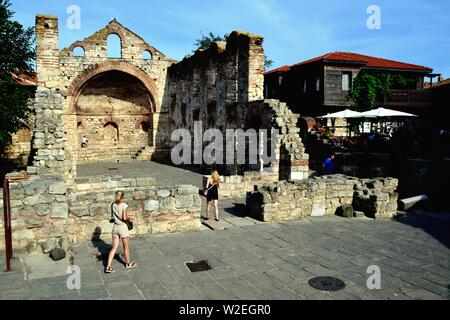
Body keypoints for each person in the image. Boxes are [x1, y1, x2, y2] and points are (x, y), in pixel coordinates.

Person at [105, 191, 137, 273]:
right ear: (122, 197)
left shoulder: (113, 204)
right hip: (122, 228)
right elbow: (124, 217)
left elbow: (117, 216)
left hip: (115, 227)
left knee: (114, 248)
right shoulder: (124, 205)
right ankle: (128, 264)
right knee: (126, 247)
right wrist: (131, 218)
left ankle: (108, 267)